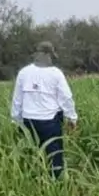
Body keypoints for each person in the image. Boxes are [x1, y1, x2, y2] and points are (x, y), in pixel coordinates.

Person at [10, 41, 78, 179]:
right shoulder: (56, 73)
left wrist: (16, 121)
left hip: (28, 121)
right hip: (50, 122)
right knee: (55, 156)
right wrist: (72, 117)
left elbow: (17, 100)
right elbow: (66, 98)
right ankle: (55, 184)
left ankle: (35, 181)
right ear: (47, 55)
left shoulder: (24, 73)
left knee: (33, 155)